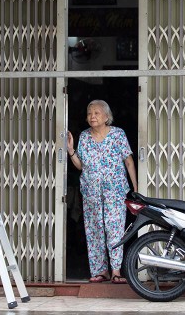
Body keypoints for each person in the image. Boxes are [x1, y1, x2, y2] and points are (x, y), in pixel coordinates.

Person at [67, 99, 138, 284]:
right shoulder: (84, 136)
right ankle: (100, 271)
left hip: (115, 192)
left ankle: (116, 271)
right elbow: (81, 166)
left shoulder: (117, 135)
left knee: (114, 229)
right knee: (94, 230)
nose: (92, 116)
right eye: (90, 113)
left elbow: (128, 161)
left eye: (97, 113)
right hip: (91, 193)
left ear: (107, 116)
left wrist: (136, 187)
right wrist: (71, 151)